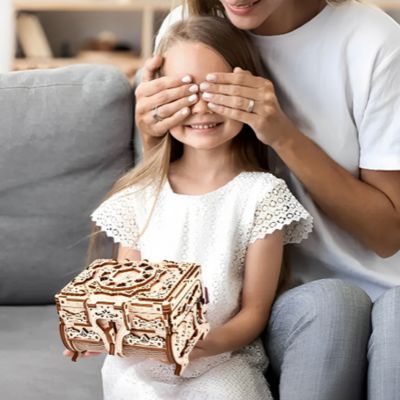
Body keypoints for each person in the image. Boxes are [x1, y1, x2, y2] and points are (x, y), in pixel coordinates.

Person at [135, 1, 400, 399]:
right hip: (263, 304)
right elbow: (167, 182)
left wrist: (282, 135)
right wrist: (151, 134)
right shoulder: (190, 25)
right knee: (332, 306)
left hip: (377, 286)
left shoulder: (372, 42)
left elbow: (388, 234)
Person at [64, 16, 312, 400]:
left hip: (222, 358)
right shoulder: (139, 196)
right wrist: (100, 332)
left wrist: (203, 343)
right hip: (142, 364)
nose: (200, 108)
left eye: (216, 90)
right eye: (182, 92)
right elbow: (126, 296)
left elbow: (253, 313)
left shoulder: (262, 196)